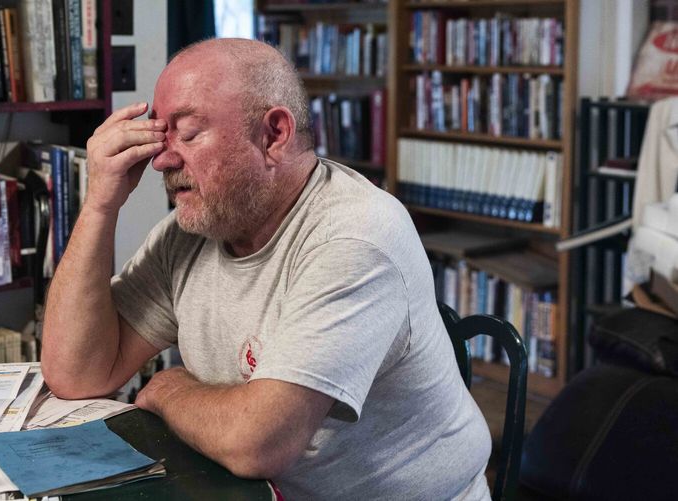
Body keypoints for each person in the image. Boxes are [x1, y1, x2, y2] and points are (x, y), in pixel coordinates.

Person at [41, 38, 492, 500]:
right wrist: (99, 205)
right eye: (161, 134)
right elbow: (77, 374)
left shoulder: (357, 237)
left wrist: (169, 390)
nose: (162, 159)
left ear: (274, 134)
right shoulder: (190, 234)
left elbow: (257, 444)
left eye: (190, 133)